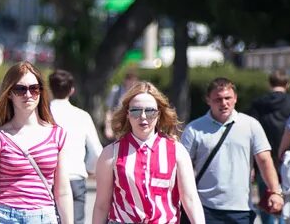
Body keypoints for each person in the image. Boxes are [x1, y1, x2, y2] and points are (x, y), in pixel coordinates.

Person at [0, 62, 74, 224]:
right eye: (20, 89)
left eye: (34, 88)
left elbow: (63, 192)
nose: (28, 94)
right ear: (9, 93)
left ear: (41, 91)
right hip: (4, 216)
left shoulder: (57, 135)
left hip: (43, 216)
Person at [91, 81, 204, 224]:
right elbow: (101, 205)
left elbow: (190, 199)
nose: (143, 117)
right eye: (136, 111)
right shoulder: (110, 153)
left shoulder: (177, 151)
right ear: (127, 114)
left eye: (150, 111)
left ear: (159, 114)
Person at [182, 77, 284, 224]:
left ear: (235, 98)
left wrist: (275, 191)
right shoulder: (194, 129)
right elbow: (183, 167)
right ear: (208, 100)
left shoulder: (250, 125)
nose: (224, 103)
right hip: (204, 208)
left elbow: (264, 160)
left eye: (228, 98)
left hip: (241, 209)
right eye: (218, 99)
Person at [47, 70, 102, 224]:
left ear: (50, 89)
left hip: (48, 179)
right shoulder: (82, 116)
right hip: (75, 176)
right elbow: (96, 151)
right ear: (72, 90)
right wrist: (90, 168)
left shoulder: (42, 115)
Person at [250, 70, 290, 224]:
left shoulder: (258, 104)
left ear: (269, 84)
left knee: (267, 201)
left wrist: (251, 164)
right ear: (288, 84)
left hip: (263, 159)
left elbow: (251, 134)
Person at [104, 71, 138, 141]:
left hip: (132, 126)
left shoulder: (137, 93)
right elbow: (109, 110)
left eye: (133, 80)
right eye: (129, 79)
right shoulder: (116, 91)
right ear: (125, 80)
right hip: (118, 125)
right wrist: (108, 127)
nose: (131, 82)